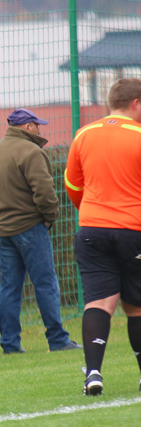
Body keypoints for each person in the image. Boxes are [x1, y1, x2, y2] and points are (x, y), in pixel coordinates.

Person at [0, 108, 80, 354]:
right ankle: (57, 340)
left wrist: (1, 216)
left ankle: (10, 344)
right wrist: (48, 219)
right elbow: (45, 194)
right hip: (31, 228)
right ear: (27, 127)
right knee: (45, 284)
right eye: (37, 125)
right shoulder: (32, 152)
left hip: (4, 231)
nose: (39, 129)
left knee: (9, 288)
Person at [64, 78, 141, 396]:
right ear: (136, 103)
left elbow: (72, 184)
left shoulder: (84, 134)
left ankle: (93, 372)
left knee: (98, 302)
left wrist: (93, 213)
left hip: (92, 229)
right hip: (133, 229)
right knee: (136, 307)